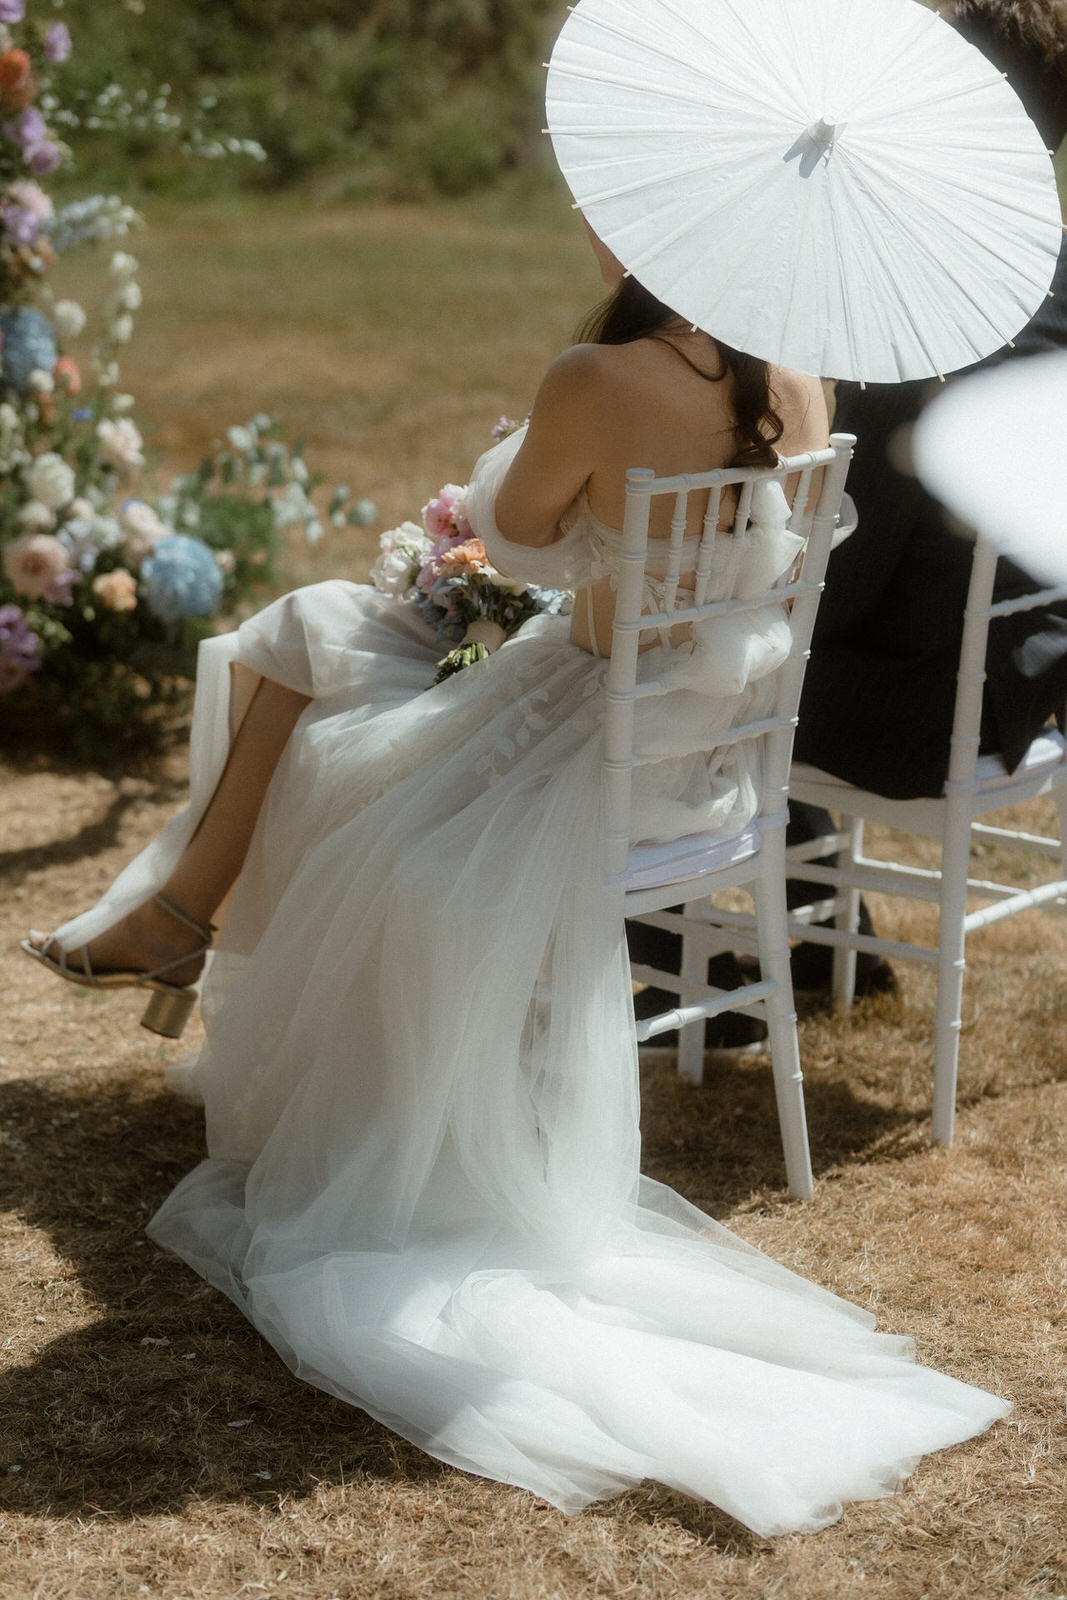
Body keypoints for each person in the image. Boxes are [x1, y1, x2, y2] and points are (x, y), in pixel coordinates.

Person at [20, 228, 1007, 1537]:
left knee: (337, 765)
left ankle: (194, 933)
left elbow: (524, 542)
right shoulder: (805, 376)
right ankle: (173, 921)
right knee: (325, 652)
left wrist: (508, 473)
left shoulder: (597, 379)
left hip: (587, 731)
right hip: (701, 749)